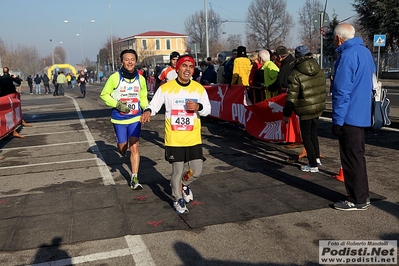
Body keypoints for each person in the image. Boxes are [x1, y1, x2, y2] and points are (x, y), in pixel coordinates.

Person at [140, 55, 211, 214]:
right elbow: (154, 104)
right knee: (177, 171)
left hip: (193, 138)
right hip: (174, 138)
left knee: (197, 170)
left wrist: (198, 106)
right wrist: (148, 111)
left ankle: (185, 184)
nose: (187, 69)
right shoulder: (166, 88)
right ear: (177, 68)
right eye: (184, 66)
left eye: (191, 67)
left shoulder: (198, 88)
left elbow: (207, 110)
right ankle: (177, 198)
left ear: (194, 70)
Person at [331, 23, 374, 211]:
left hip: (349, 115)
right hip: (362, 112)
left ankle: (357, 199)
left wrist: (337, 120)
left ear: (339, 38)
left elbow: (342, 91)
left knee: (349, 158)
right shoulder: (365, 53)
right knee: (357, 157)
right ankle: (362, 196)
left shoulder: (346, 56)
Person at [100, 49, 149, 190]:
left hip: (135, 117)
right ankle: (121, 146)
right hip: (119, 119)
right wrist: (117, 104)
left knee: (135, 146)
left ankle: (134, 178)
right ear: (122, 61)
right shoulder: (115, 77)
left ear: (136, 61)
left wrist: (146, 109)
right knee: (123, 148)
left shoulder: (141, 79)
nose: (129, 62)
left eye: (132, 59)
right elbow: (104, 94)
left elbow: (143, 97)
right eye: (127, 59)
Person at [282, 45, 326, 173]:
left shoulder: (296, 73)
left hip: (305, 108)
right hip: (318, 106)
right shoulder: (318, 68)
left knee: (306, 136)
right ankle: (316, 158)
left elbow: (292, 96)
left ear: (296, 57)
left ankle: (312, 165)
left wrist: (287, 113)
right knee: (313, 132)